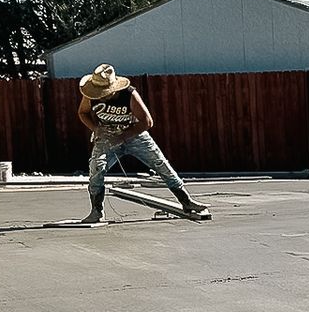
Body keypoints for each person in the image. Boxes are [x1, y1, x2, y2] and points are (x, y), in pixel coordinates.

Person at [76, 64, 212, 223]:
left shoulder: (129, 94)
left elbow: (147, 122)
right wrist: (96, 129)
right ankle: (96, 210)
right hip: (107, 136)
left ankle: (186, 202)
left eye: (105, 93)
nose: (102, 96)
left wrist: (123, 137)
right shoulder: (90, 94)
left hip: (135, 134)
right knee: (96, 167)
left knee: (160, 164)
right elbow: (82, 112)